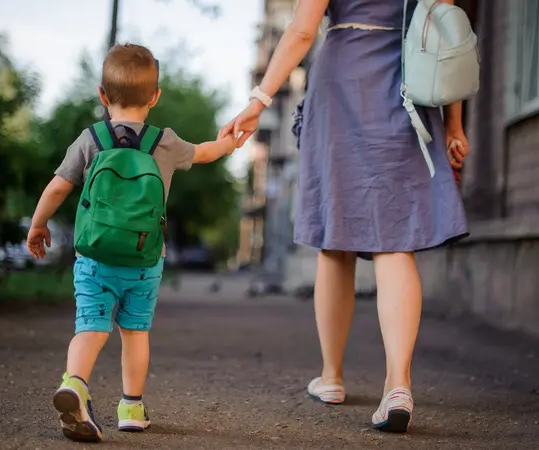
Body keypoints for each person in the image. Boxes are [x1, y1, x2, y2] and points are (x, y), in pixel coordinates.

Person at [221, 0, 469, 433]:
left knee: (335, 239)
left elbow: (302, 30)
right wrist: (454, 125)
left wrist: (259, 100)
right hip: (407, 85)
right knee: (394, 240)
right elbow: (446, 29)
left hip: (341, 83)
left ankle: (332, 376)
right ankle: (397, 385)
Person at [26, 43, 236, 443]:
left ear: (102, 96)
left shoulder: (90, 139)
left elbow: (57, 187)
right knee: (134, 332)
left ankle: (75, 383)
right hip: (144, 259)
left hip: (93, 257)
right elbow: (207, 153)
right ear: (155, 98)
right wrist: (229, 142)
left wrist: (38, 226)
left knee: (91, 327)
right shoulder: (165, 142)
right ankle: (132, 408)